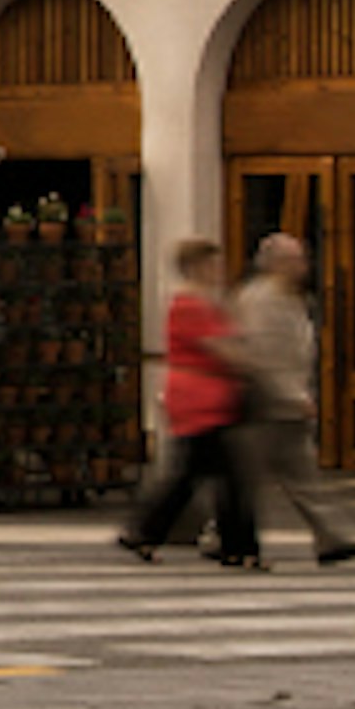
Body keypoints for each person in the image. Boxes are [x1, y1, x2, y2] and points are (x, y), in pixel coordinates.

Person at [231, 232, 355, 568]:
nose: (302, 265)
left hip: (286, 404)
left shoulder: (289, 298)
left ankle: (332, 537)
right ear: (274, 263)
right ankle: (222, 534)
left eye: (301, 258)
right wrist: (291, 394)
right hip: (266, 403)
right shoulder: (260, 300)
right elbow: (263, 353)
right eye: (294, 259)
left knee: (298, 476)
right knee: (253, 475)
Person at [118, 239, 256, 567]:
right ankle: (236, 546)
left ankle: (149, 533)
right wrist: (250, 364)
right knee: (216, 474)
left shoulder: (204, 303)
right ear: (196, 267)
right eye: (213, 264)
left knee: (202, 474)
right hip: (201, 398)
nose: (219, 271)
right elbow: (219, 347)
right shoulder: (190, 305)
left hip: (209, 397)